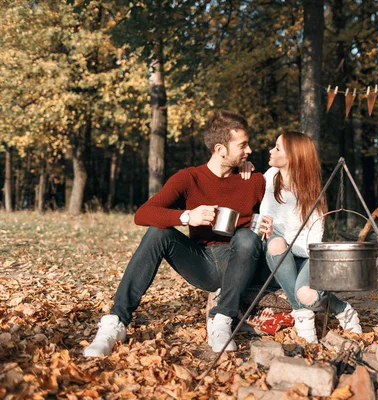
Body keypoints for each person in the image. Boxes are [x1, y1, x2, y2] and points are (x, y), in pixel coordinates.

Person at [83, 110, 272, 357]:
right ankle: (115, 323)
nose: (249, 151)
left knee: (247, 237)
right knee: (157, 233)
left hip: (237, 260)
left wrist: (269, 227)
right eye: (243, 145)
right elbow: (142, 214)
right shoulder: (189, 178)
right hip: (200, 261)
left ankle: (222, 319)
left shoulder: (254, 180)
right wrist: (186, 216)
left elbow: (274, 211)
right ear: (220, 149)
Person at [259, 131, 362, 343]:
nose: (271, 150)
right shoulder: (269, 177)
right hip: (279, 253)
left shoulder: (311, 191)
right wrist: (244, 169)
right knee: (277, 242)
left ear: (293, 157)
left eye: (277, 148)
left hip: (308, 254)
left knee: (306, 294)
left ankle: (341, 308)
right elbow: (243, 191)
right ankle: (303, 317)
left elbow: (314, 242)